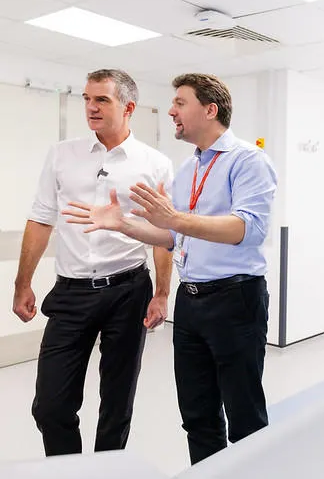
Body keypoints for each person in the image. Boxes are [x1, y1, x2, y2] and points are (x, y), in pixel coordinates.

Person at [62, 73, 278, 465]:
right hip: (192, 303)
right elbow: (173, 237)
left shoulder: (248, 160)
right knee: (197, 416)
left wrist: (176, 220)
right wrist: (124, 225)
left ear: (210, 110)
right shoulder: (189, 168)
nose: (171, 111)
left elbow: (248, 228)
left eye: (180, 102)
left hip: (236, 299)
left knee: (244, 418)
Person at [12, 68, 174, 457]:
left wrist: (163, 294)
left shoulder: (154, 163)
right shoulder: (62, 154)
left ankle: (107, 469)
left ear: (128, 107)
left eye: (102, 99)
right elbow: (40, 218)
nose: (91, 107)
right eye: (87, 98)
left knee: (117, 402)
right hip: (70, 292)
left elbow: (165, 235)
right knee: (51, 406)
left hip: (128, 291)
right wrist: (22, 282)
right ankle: (68, 469)